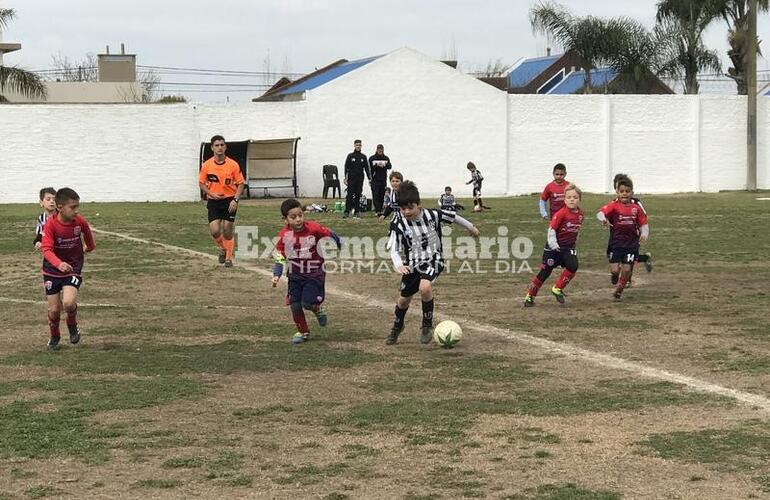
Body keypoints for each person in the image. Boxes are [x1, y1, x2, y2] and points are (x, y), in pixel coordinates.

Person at [385, 181, 480, 345]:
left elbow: (454, 217)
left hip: (434, 259)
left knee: (425, 287)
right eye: (403, 209)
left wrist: (470, 227)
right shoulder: (398, 224)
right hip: (412, 264)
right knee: (403, 301)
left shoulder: (433, 215)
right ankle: (397, 326)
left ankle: (426, 325)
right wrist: (399, 264)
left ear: (419, 205)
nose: (407, 212)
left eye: (410, 207)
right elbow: (393, 248)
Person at [272, 198, 342, 345]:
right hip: (295, 275)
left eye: (300, 215)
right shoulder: (284, 236)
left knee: (307, 303)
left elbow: (329, 233)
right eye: (293, 217)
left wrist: (338, 242)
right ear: (285, 219)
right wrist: (276, 275)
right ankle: (303, 331)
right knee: (295, 305)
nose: (298, 219)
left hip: (314, 273)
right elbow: (279, 258)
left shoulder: (313, 228)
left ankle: (317, 309)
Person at [40, 188, 96, 350]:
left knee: (69, 302)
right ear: (60, 207)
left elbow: (88, 236)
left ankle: (72, 324)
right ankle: (55, 335)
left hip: (73, 267)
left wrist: (90, 247)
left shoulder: (79, 221)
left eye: (77, 206)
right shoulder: (50, 224)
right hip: (52, 270)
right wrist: (59, 264)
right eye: (73, 207)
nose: (76, 211)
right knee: (54, 310)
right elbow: (47, 250)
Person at [524, 183, 584, 307]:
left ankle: (557, 288)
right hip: (554, 248)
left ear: (579, 199)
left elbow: (577, 230)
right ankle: (530, 295)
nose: (572, 199)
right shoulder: (561, 213)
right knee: (545, 272)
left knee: (573, 266)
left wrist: (575, 241)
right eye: (569, 197)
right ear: (564, 199)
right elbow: (551, 230)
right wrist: (553, 244)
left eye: (575, 197)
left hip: (568, 248)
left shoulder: (581, 215)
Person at [598, 176, 650, 300]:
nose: (625, 194)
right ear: (617, 192)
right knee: (615, 270)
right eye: (622, 191)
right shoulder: (613, 206)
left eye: (627, 191)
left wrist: (644, 234)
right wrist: (603, 219)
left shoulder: (636, 208)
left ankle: (620, 289)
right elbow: (600, 213)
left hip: (631, 244)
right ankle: (615, 276)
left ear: (631, 192)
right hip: (616, 243)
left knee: (627, 269)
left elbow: (644, 222)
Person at [198, 135, 245, 267]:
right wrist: (211, 193)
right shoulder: (206, 165)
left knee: (227, 229)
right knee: (215, 231)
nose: (220, 148)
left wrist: (235, 199)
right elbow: (201, 183)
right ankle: (223, 248)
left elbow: (241, 184)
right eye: (217, 145)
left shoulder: (233, 165)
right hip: (213, 201)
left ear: (225, 147)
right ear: (212, 148)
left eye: (222, 145)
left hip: (230, 200)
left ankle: (229, 258)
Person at [608, 173, 653, 286]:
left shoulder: (636, 203)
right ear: (616, 189)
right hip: (615, 235)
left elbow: (643, 216)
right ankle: (645, 258)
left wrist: (643, 231)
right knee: (613, 255)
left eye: (626, 189)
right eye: (619, 188)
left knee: (630, 257)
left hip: (632, 234)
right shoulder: (613, 203)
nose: (623, 192)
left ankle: (627, 279)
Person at [343, 139, 371, 219]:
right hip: (351, 178)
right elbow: (346, 167)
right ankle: (347, 211)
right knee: (350, 195)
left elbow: (366, 168)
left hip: (360, 179)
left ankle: (357, 211)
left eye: (359, 145)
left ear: (361, 146)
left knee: (358, 195)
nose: (358, 146)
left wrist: (369, 178)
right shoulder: (350, 156)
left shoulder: (363, 157)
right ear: (354, 146)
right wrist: (345, 177)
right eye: (357, 145)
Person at [368, 144, 392, 217]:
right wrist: (377, 165)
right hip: (374, 179)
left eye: (381, 150)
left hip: (383, 180)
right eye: (379, 149)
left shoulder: (386, 158)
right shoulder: (372, 158)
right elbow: (369, 168)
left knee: (382, 195)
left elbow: (389, 166)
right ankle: (377, 210)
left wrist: (384, 164)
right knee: (375, 195)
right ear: (376, 149)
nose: (380, 151)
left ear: (383, 150)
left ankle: (381, 209)